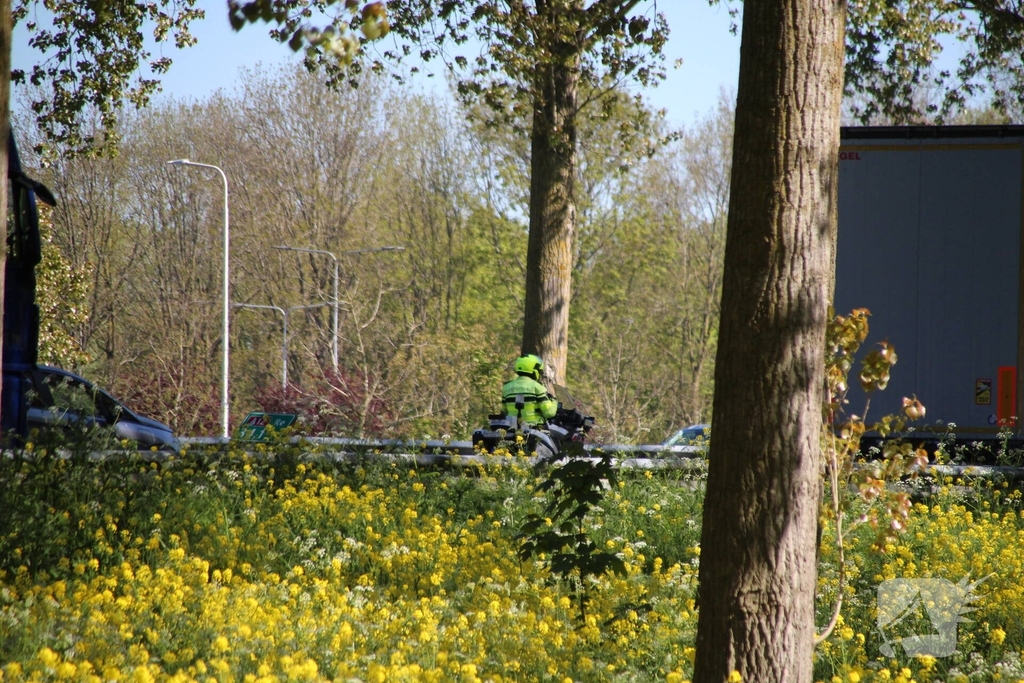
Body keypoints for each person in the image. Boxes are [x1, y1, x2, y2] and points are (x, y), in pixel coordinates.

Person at [502, 354, 558, 427]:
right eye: (539, 371)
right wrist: (554, 401)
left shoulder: (506, 387)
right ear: (534, 370)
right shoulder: (537, 387)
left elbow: (504, 411)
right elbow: (549, 413)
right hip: (534, 429)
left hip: (512, 429)